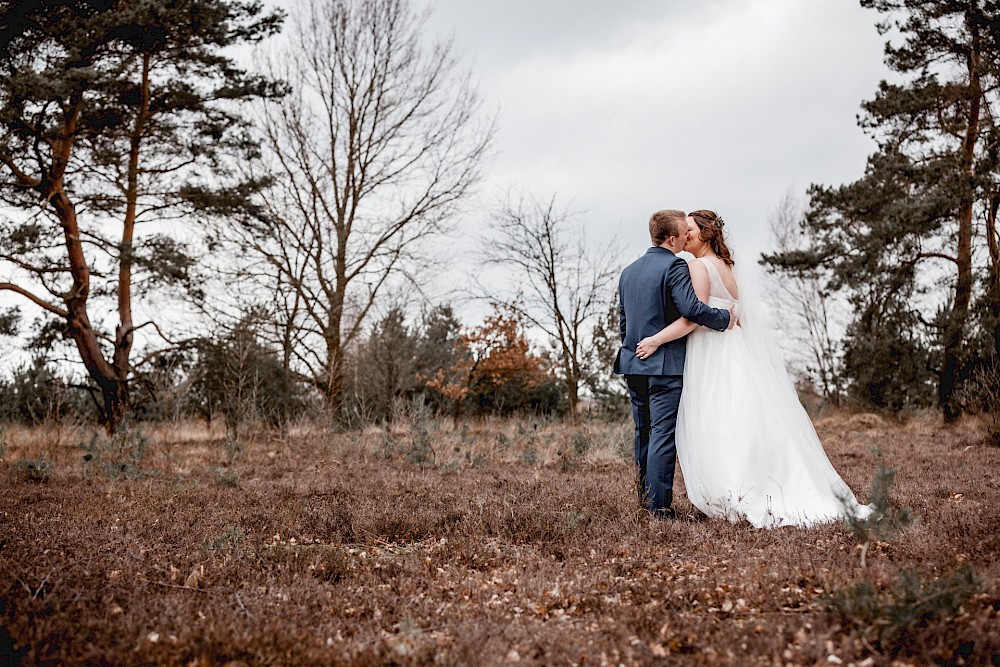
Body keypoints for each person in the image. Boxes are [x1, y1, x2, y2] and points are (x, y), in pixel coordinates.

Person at [635, 210, 871, 527]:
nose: (686, 233)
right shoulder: (727, 267)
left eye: (690, 229)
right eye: (684, 229)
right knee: (747, 415)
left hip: (713, 352)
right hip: (735, 349)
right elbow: (737, 313)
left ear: (705, 233)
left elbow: (694, 318)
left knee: (718, 419)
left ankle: (736, 489)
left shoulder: (698, 266)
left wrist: (655, 340)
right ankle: (765, 482)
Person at [614, 209, 735, 519]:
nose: (686, 237)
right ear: (671, 238)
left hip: (633, 362)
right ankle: (658, 507)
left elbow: (624, 324)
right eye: (683, 233)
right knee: (663, 435)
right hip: (665, 366)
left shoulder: (628, 272)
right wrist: (723, 318)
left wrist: (634, 349)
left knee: (643, 432)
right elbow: (692, 308)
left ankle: (645, 499)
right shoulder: (675, 266)